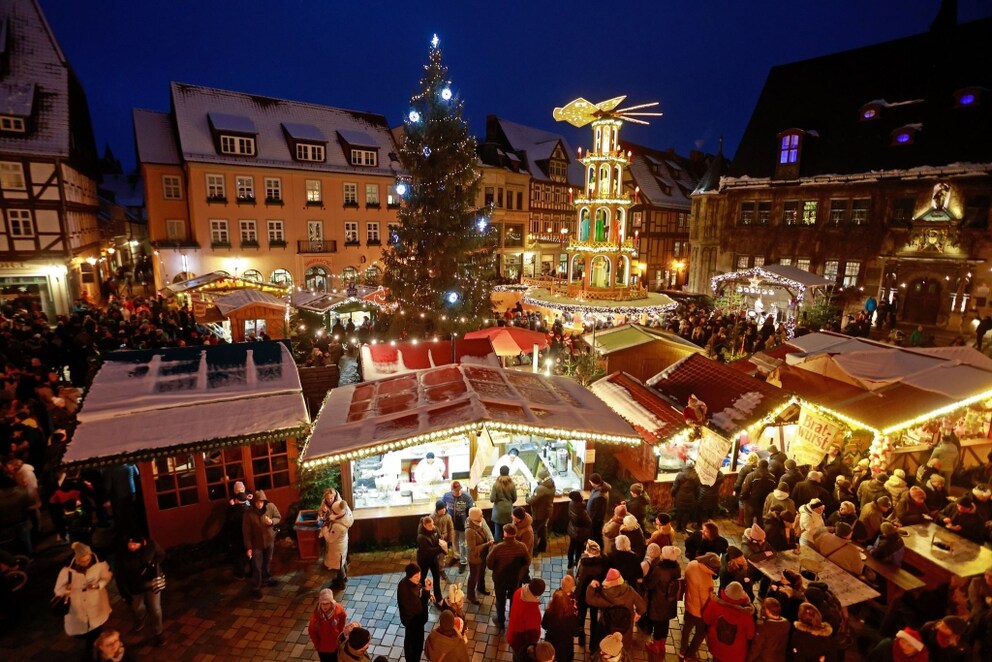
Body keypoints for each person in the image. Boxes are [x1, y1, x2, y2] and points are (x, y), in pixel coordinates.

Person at [54, 541, 113, 653]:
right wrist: (67, 589)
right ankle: (94, 651)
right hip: (78, 606)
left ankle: (94, 653)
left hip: (96, 603)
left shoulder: (99, 564)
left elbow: (107, 576)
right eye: (82, 561)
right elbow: (58, 590)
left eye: (87, 559)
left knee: (96, 631)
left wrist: (98, 585)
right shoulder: (67, 571)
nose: (85, 563)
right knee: (86, 633)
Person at [116, 533, 166, 647]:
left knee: (155, 609)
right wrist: (124, 593)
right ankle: (141, 617)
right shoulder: (122, 554)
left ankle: (158, 632)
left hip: (151, 582)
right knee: (138, 607)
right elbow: (119, 575)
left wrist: (154, 563)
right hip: (134, 586)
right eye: (130, 544)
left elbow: (161, 554)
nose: (132, 546)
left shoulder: (151, 545)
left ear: (142, 542)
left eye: (135, 544)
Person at [585, 567, 646, 646]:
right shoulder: (629, 590)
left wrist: (591, 586)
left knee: (609, 647)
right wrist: (638, 613)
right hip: (626, 626)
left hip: (609, 628)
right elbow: (643, 607)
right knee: (624, 646)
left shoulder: (605, 594)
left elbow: (590, 600)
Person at [486, 523, 531, 629]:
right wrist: (520, 572)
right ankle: (513, 617)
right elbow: (527, 561)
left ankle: (500, 620)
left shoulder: (498, 548)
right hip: (515, 579)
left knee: (500, 599)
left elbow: (489, 564)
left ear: (505, 534)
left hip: (500, 579)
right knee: (514, 599)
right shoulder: (522, 546)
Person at [641, 544, 681, 655]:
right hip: (670, 601)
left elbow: (649, 585)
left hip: (659, 602)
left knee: (658, 624)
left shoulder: (660, 569)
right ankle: (662, 645)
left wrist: (644, 581)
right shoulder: (676, 567)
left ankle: (656, 646)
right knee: (665, 623)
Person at [680, 552, 721, 659]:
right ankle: (689, 654)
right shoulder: (706, 581)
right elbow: (705, 602)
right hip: (698, 611)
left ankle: (682, 649)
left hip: (689, 603)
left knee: (687, 627)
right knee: (701, 633)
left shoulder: (692, 564)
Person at [702, 581, 755, 661]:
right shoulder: (746, 615)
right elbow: (750, 635)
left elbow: (706, 620)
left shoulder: (714, 603)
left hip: (716, 645)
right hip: (735, 653)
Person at [242, 488, 281, 597]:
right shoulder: (248, 514)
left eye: (261, 501)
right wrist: (248, 547)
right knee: (257, 566)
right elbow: (246, 532)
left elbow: (278, 517)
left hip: (269, 541)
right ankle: (256, 587)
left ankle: (266, 579)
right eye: (257, 502)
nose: (259, 504)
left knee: (267, 561)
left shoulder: (271, 507)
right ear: (254, 502)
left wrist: (272, 521)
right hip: (256, 544)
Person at [576, 539, 608, 651]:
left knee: (582, 616)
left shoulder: (584, 565)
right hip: (595, 595)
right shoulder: (602, 562)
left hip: (583, 596)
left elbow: (579, 583)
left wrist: (576, 596)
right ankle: (593, 644)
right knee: (594, 618)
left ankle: (581, 637)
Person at [542, 576, 581, 662]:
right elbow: (576, 632)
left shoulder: (548, 612)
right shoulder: (571, 617)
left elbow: (544, 625)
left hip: (551, 641)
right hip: (565, 645)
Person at [397, 563, 431, 662]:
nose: (419, 578)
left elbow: (418, 589)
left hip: (408, 621)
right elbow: (421, 610)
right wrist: (427, 592)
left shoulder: (403, 582)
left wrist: (426, 591)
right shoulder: (409, 594)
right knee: (416, 645)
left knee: (409, 641)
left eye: (420, 575)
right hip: (415, 623)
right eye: (416, 576)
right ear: (410, 576)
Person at [507, 578, 546, 662]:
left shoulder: (519, 591)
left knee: (515, 655)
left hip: (512, 633)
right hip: (520, 644)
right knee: (519, 658)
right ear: (538, 595)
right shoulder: (533, 613)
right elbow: (532, 639)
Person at [322, 499, 354, 590]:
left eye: (333, 511)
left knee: (338, 565)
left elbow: (329, 538)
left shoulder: (338, 526)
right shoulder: (346, 512)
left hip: (337, 548)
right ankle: (344, 578)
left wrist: (324, 529)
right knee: (342, 561)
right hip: (343, 544)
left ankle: (341, 584)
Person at [308, 588, 347, 662]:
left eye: (327, 603)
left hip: (336, 643)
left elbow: (343, 616)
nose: (324, 606)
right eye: (323, 603)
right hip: (324, 648)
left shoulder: (337, 608)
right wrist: (318, 645)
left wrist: (340, 630)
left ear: (331, 602)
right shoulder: (316, 617)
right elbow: (312, 632)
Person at [465, 506, 493, 604]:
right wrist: (487, 544)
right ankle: (470, 595)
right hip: (475, 557)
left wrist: (490, 538)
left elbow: (487, 530)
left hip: (483, 554)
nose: (483, 516)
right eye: (481, 515)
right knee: (474, 576)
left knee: (482, 572)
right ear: (475, 517)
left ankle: (481, 587)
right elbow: (473, 549)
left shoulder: (480, 520)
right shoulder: (469, 531)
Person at [747, 597, 790, 662]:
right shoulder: (786, 624)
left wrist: (749, 659)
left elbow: (756, 648)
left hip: (764, 659)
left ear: (768, 611)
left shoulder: (763, 628)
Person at [416, 515, 446, 604]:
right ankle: (422, 595)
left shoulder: (435, 529)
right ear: (424, 525)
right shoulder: (421, 537)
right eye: (429, 526)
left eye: (432, 524)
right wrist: (441, 549)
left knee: (436, 577)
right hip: (424, 560)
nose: (432, 527)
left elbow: (440, 539)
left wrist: (442, 544)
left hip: (433, 558)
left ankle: (438, 597)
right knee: (422, 578)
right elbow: (428, 551)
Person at [224, 481, 252, 577]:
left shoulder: (234, 510)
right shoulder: (249, 507)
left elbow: (229, 521)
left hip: (237, 534)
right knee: (248, 551)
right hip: (245, 534)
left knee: (239, 554)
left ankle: (241, 573)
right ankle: (251, 571)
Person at [741, 459, 777, 527]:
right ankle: (759, 535)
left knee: (748, 521)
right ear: (767, 466)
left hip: (751, 502)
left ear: (758, 465)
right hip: (764, 503)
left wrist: (743, 497)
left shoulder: (751, 476)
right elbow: (774, 491)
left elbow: (745, 489)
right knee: (761, 522)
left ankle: (748, 534)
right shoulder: (772, 478)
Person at [527, 469, 555, 556]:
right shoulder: (552, 485)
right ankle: (543, 546)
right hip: (548, 511)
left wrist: (527, 496)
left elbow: (530, 501)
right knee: (543, 528)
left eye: (538, 478)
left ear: (542, 478)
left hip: (539, 514)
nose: (537, 479)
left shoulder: (540, 489)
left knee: (534, 531)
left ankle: (535, 550)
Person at [490, 466, 517, 543]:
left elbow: (492, 499)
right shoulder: (512, 484)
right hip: (509, 511)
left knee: (498, 532)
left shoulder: (496, 484)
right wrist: (509, 502)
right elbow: (515, 498)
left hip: (498, 512)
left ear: (500, 472)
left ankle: (498, 549)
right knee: (508, 532)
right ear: (508, 472)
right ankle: (508, 549)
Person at [671, 463, 700, 532]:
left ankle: (678, 527)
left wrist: (672, 494)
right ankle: (684, 527)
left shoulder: (680, 475)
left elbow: (675, 487)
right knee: (686, 513)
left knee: (679, 512)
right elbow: (697, 489)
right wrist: (696, 498)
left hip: (680, 496)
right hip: (690, 498)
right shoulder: (696, 476)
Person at [566, 490, 592, 569]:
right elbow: (589, 522)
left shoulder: (571, 504)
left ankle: (570, 563)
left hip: (572, 529)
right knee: (579, 548)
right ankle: (577, 562)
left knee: (571, 546)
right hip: (581, 532)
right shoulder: (582, 510)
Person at [587, 473, 611, 547]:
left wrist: (591, 520)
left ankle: (600, 550)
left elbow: (597, 512)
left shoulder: (600, 496)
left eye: (590, 482)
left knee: (597, 535)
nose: (590, 483)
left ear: (594, 483)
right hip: (595, 518)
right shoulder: (600, 488)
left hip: (596, 520)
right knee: (594, 534)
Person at [432, 500, 456, 566]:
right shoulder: (432, 517)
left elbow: (451, 529)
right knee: (435, 556)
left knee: (442, 556)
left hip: (445, 539)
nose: (443, 510)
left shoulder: (448, 517)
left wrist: (450, 540)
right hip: (436, 540)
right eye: (441, 509)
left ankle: (441, 569)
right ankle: (436, 568)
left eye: (444, 508)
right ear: (437, 510)